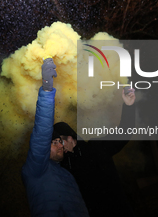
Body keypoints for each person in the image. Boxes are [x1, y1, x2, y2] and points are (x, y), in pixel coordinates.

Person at [21, 58, 89, 217]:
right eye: (53, 142)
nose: (60, 145)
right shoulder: (36, 169)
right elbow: (41, 134)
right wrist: (46, 91)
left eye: (60, 142)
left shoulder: (68, 175)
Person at [57, 88, 136, 217]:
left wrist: (129, 106)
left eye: (62, 141)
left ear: (71, 137)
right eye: (56, 143)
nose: (60, 146)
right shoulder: (64, 166)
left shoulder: (96, 147)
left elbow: (124, 132)